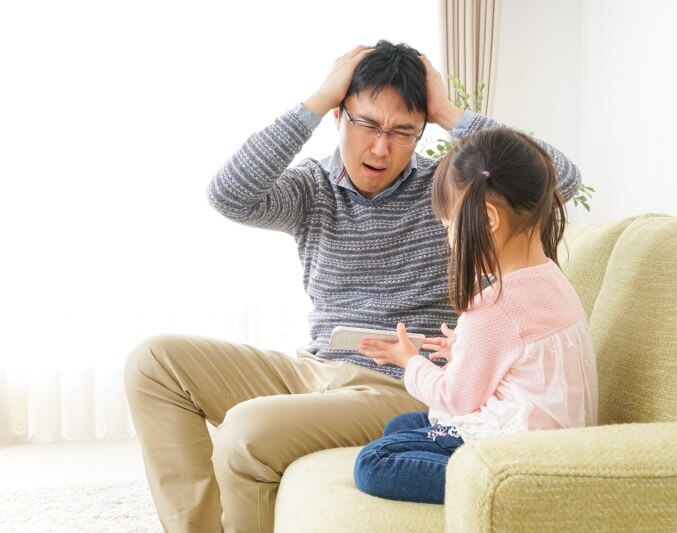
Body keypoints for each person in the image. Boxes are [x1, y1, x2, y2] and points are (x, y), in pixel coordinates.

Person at [124, 40, 582, 532]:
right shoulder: (311, 189)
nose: (382, 148)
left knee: (246, 430)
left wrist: (449, 112)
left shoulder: (448, 197)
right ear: (340, 117)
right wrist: (317, 99)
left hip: (397, 385)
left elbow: (563, 179)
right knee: (153, 363)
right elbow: (229, 194)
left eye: (403, 132)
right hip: (315, 369)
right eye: (367, 124)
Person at [353, 127, 598, 504]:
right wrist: (464, 351)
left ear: (487, 219)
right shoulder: (551, 278)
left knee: (375, 461)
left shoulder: (493, 304)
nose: (449, 238)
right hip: (552, 440)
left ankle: (494, 488)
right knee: (401, 426)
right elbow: (523, 360)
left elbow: (454, 399)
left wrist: (409, 362)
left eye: (449, 225)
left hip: (518, 457)